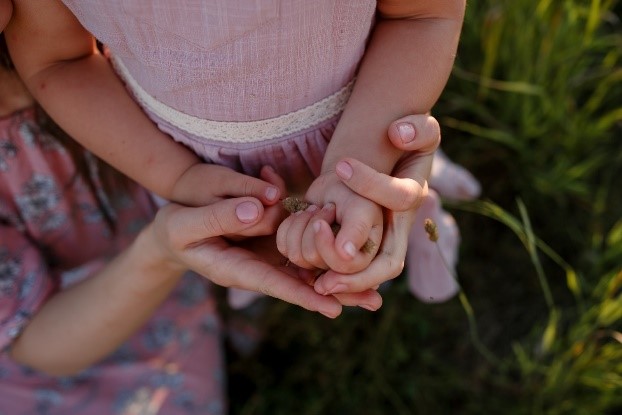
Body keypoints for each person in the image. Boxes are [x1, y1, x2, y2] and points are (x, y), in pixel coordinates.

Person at [4, 0, 467, 299]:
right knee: (266, 234)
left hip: (364, 118)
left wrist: (363, 162)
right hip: (180, 154)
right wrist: (178, 178)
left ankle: (422, 224)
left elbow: (420, 15)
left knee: (383, 196)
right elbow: (58, 58)